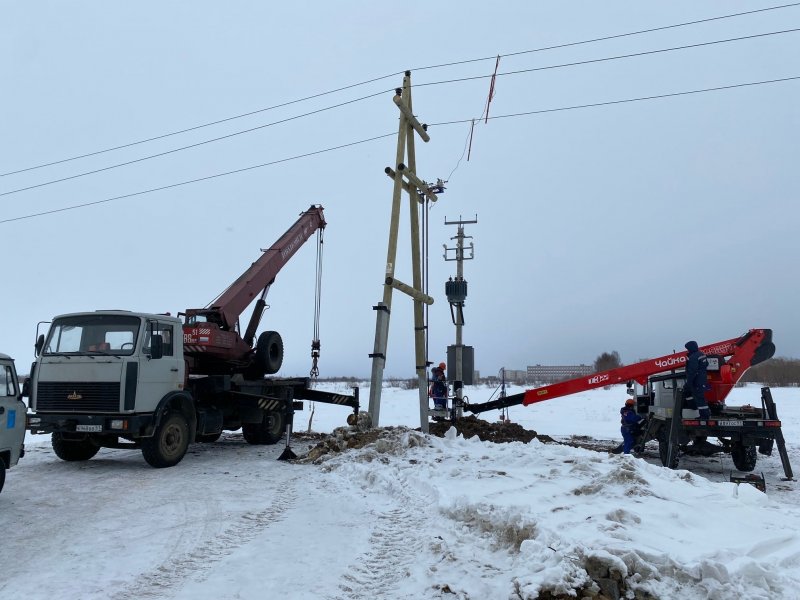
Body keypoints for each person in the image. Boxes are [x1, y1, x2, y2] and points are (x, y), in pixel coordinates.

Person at [684, 340, 710, 419]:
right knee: (688, 391)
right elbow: (707, 364)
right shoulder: (701, 354)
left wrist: (689, 382)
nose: (687, 350)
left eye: (688, 348)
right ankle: (694, 406)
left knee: (699, 398)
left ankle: (704, 415)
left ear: (690, 348)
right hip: (702, 379)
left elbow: (693, 371)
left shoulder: (693, 357)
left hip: (696, 380)